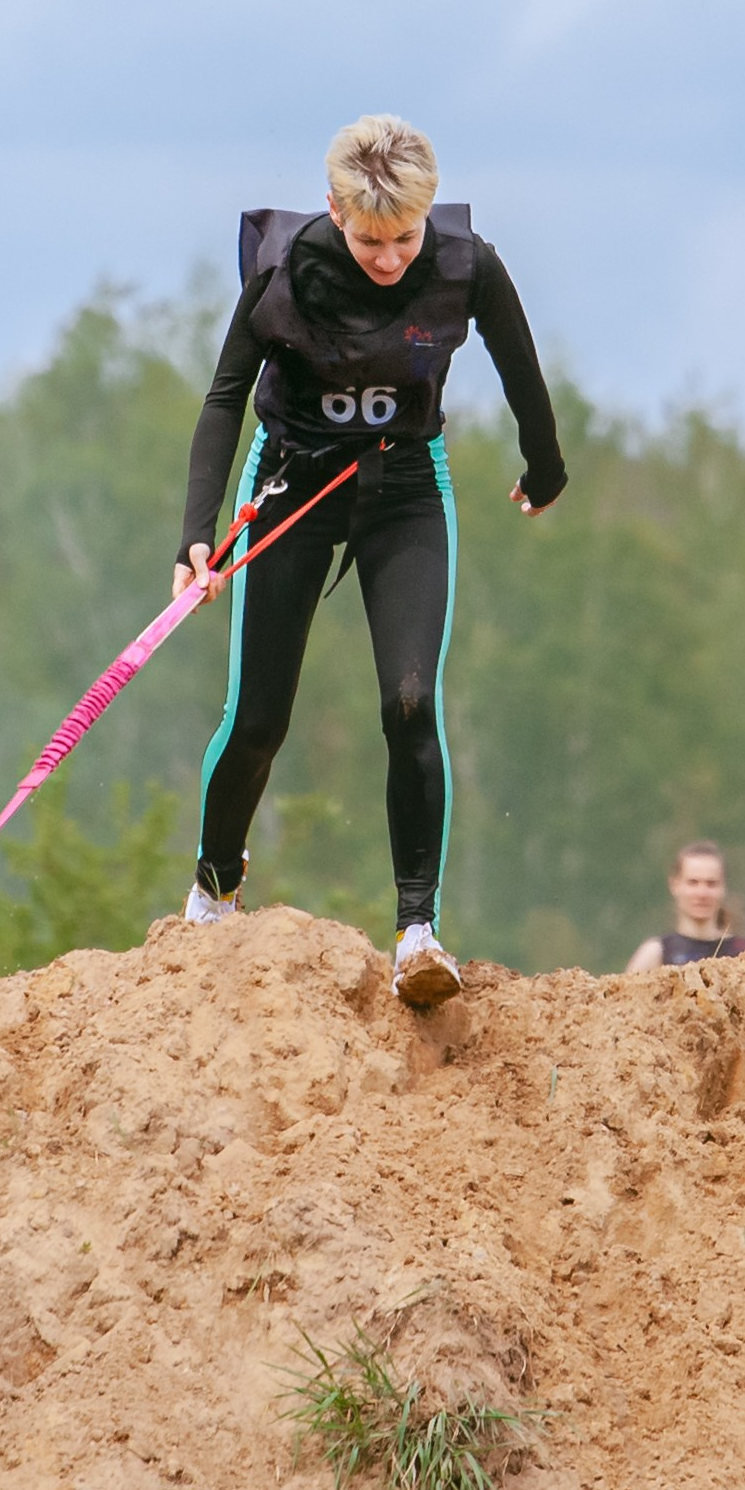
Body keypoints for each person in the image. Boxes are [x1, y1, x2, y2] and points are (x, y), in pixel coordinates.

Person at [174, 113, 567, 1008]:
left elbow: (519, 367)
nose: (388, 258)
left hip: (403, 490)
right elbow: (225, 397)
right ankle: (213, 893)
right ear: (332, 212)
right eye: (368, 240)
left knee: (411, 699)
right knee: (259, 717)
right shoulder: (286, 269)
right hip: (288, 485)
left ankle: (417, 933)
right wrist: (198, 533)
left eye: (403, 239)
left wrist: (542, 466)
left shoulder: (469, 264)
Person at [624, 841, 745, 971]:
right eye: (693, 883)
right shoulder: (655, 954)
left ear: (723, 887)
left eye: (711, 883)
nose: (702, 893)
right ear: (674, 885)